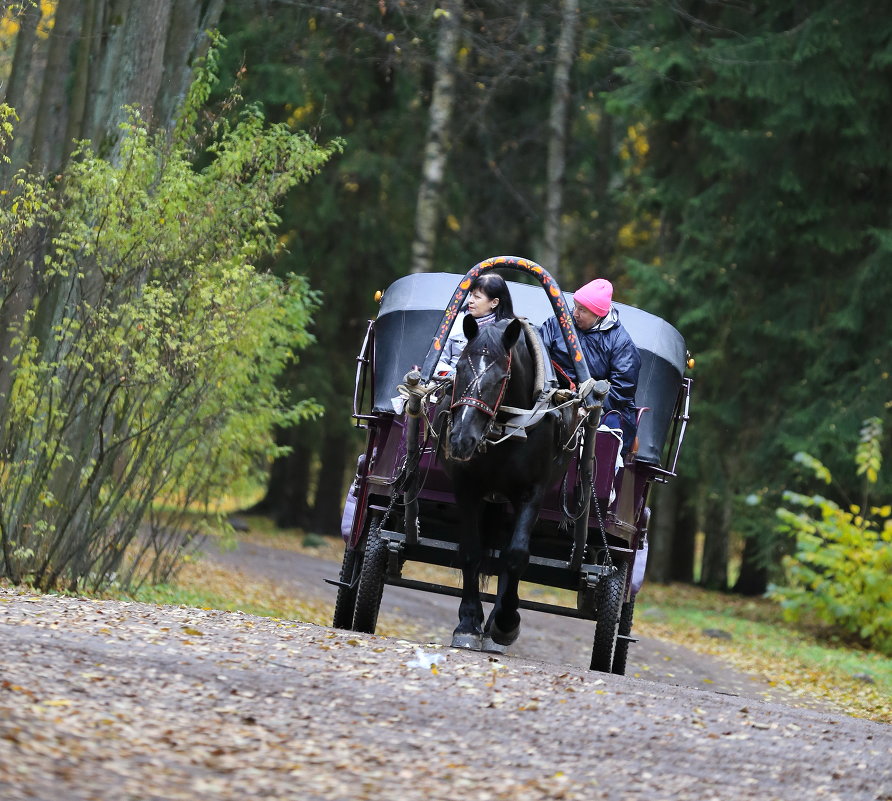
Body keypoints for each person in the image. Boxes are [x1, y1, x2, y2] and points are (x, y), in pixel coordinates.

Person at [539, 278, 641, 453]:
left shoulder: (621, 343)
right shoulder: (557, 324)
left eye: (583, 310)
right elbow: (539, 356)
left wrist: (589, 409)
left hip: (602, 407)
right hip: (553, 396)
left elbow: (622, 390)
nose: (575, 313)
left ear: (598, 314)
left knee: (605, 431)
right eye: (575, 306)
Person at [435, 272, 515, 375]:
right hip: (449, 385)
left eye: (477, 297)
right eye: (470, 295)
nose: (470, 301)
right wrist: (451, 375)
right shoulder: (453, 321)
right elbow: (436, 359)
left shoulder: (508, 330)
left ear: (494, 302)